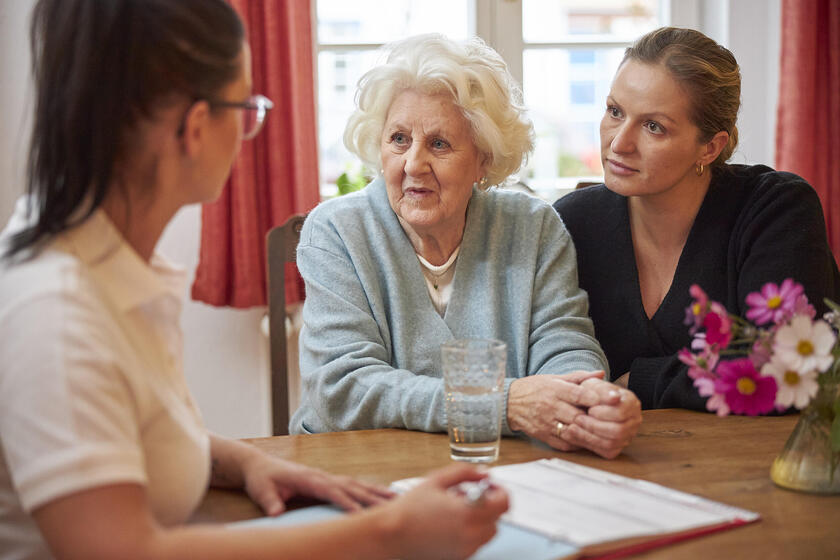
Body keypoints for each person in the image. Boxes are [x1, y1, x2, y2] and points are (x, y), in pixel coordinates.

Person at [0, 2, 510, 559]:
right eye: (246, 105)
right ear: (197, 128)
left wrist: (250, 462)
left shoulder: (108, 263)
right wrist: (389, 533)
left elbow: (133, 434)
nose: (251, 128)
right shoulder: (58, 312)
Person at [290, 34, 642, 459]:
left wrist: (584, 399)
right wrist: (503, 404)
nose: (414, 163)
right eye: (399, 139)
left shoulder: (533, 227)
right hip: (357, 468)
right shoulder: (337, 232)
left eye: (439, 144)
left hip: (499, 468)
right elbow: (343, 389)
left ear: (484, 160)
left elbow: (564, 343)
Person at [554, 26, 840, 411]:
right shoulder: (572, 222)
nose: (618, 143)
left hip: (745, 461)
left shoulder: (776, 209)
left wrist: (641, 381)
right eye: (615, 111)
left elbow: (791, 368)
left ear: (709, 147)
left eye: (653, 126)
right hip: (608, 457)